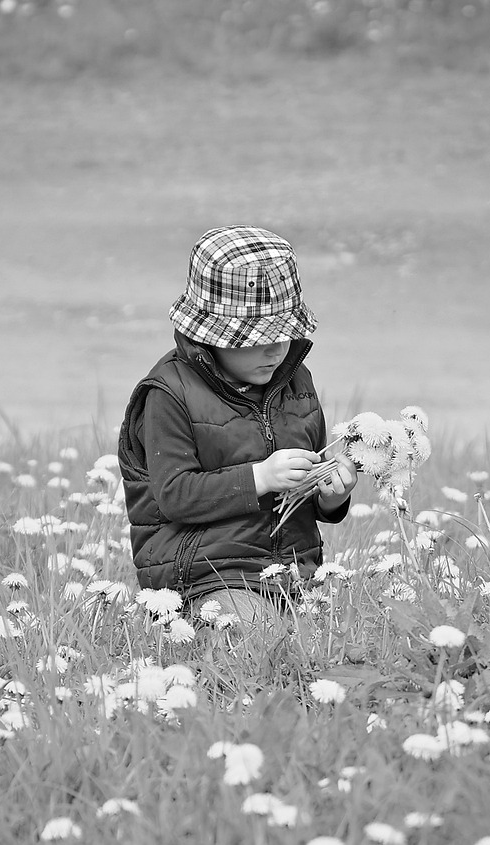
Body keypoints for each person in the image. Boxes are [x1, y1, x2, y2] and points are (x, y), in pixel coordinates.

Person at [118, 225, 358, 658]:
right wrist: (260, 477)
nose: (274, 351)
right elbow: (173, 496)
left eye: (282, 336)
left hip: (290, 570)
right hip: (205, 570)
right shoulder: (168, 394)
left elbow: (306, 488)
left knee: (349, 642)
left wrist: (330, 494)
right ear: (209, 337)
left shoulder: (295, 383)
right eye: (256, 340)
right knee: (260, 644)